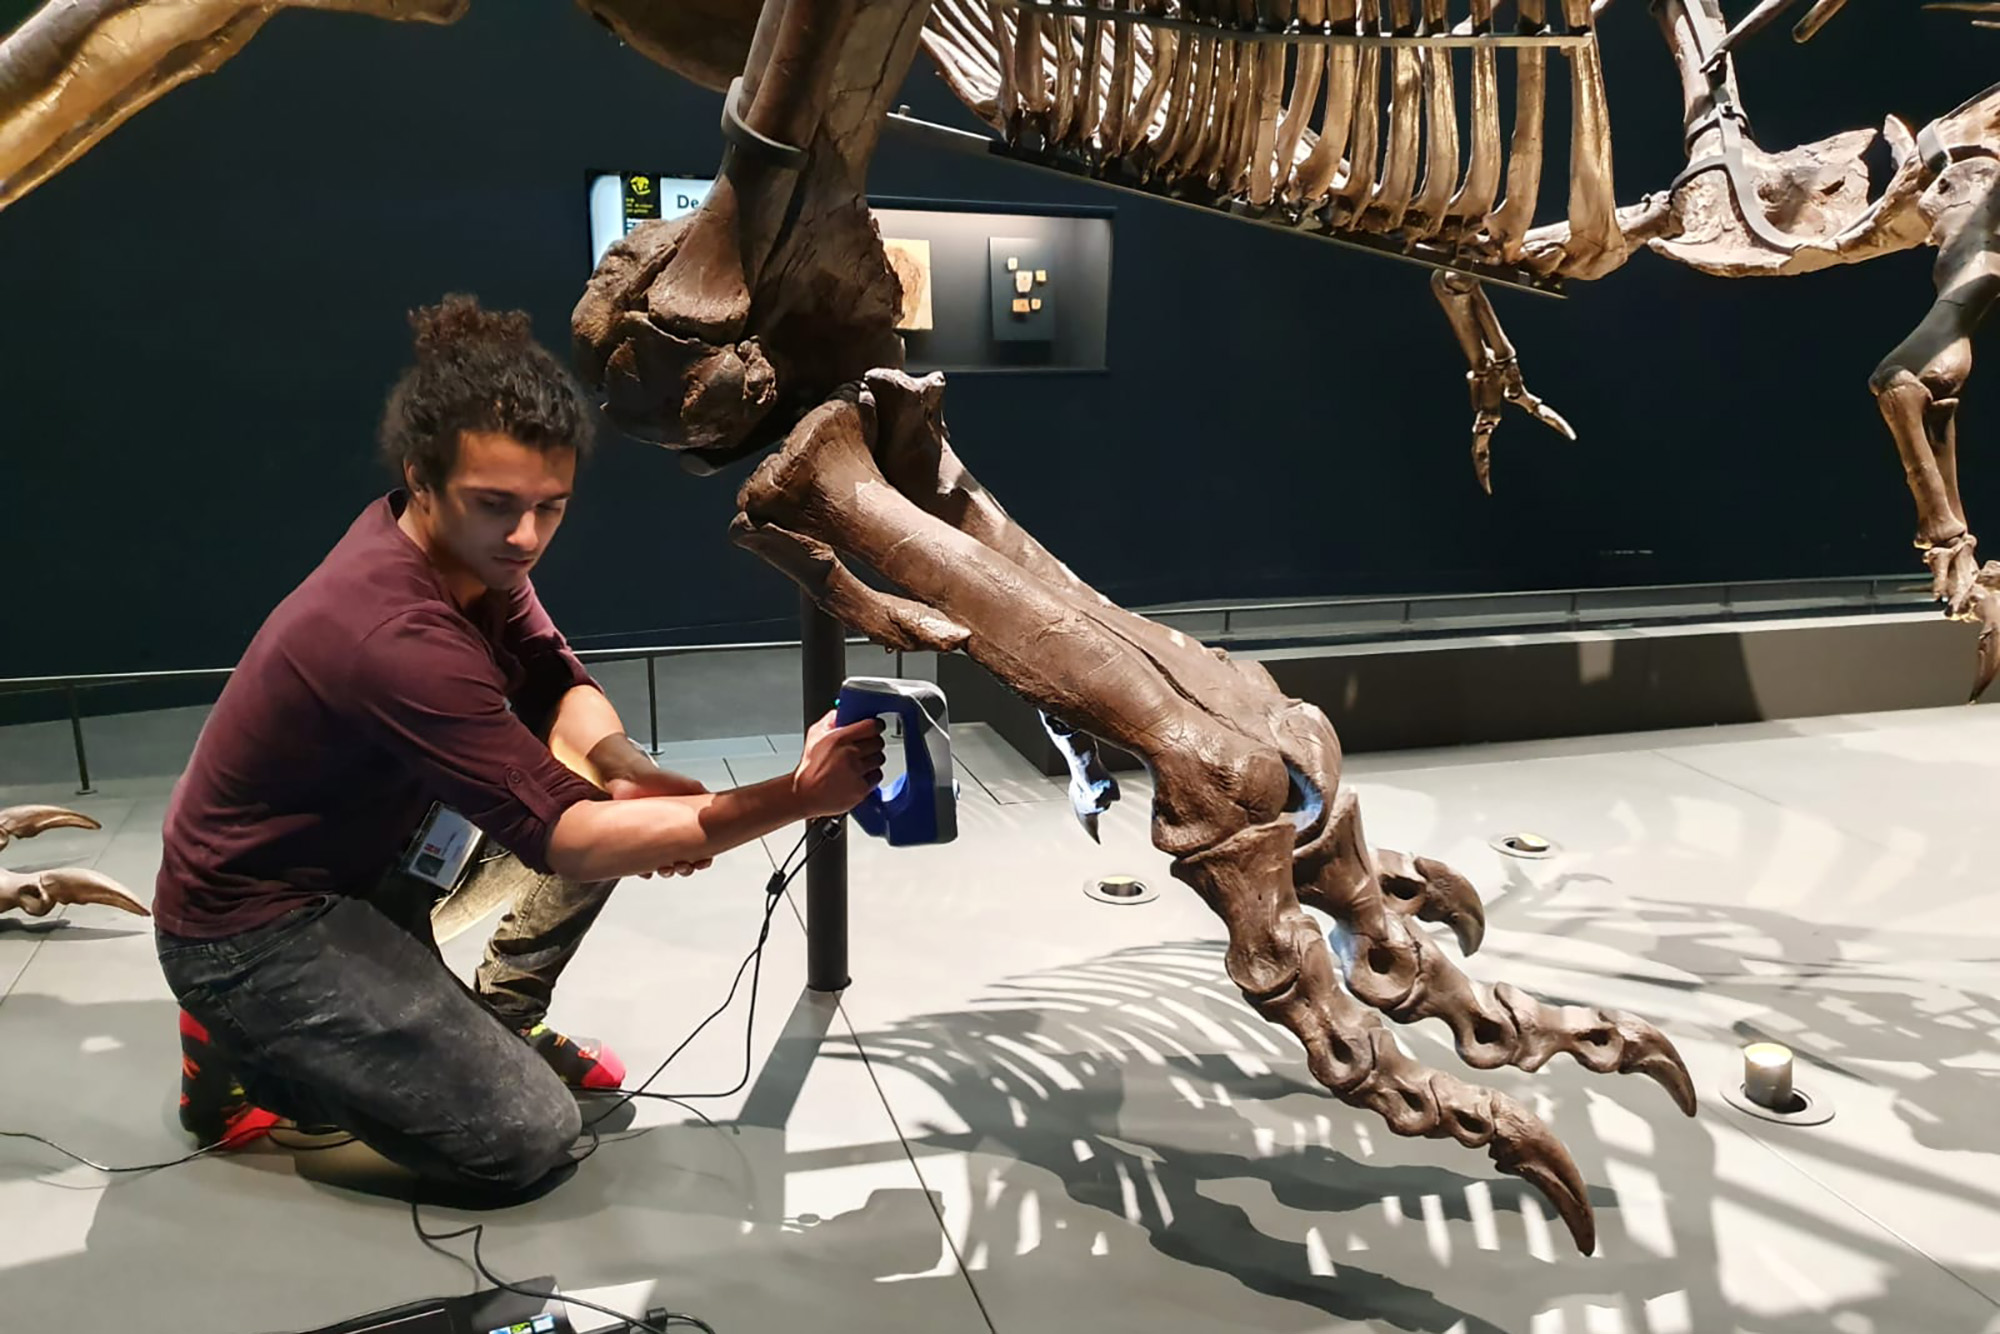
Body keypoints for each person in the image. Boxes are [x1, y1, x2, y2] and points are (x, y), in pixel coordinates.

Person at [152, 294, 884, 1202]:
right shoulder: (392, 629)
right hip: (255, 924)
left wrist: (628, 769)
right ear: (421, 477)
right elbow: (560, 837)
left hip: (376, 860)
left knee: (620, 799)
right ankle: (256, 1051)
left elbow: (553, 680)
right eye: (496, 505)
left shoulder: (464, 556)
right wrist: (796, 798)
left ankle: (500, 1018)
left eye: (550, 507)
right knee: (523, 1139)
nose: (527, 536)